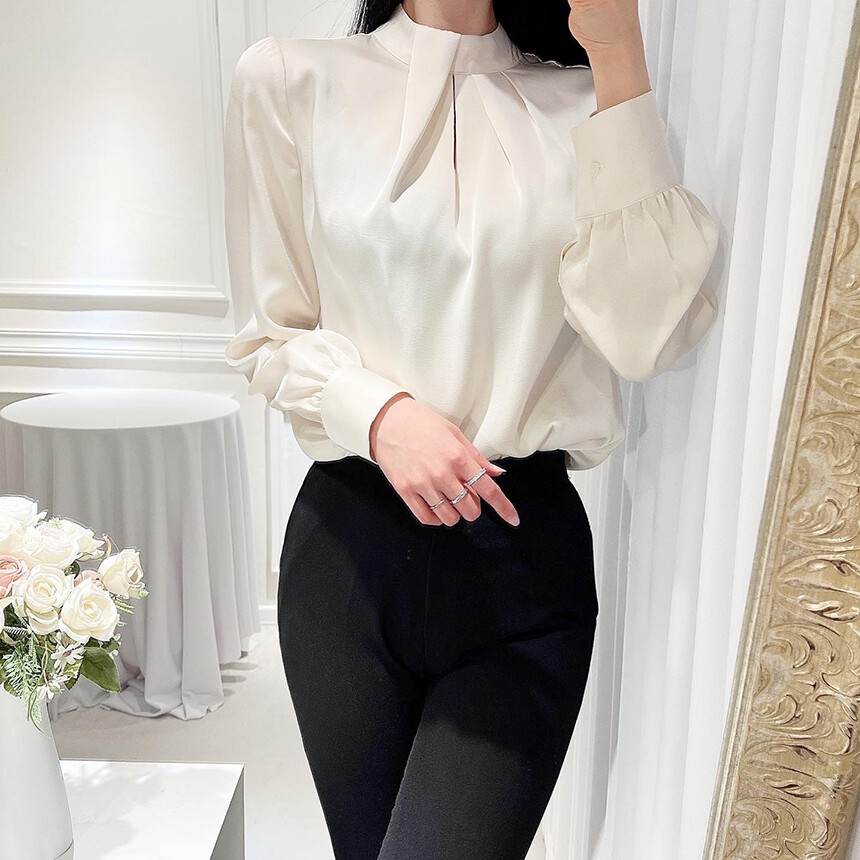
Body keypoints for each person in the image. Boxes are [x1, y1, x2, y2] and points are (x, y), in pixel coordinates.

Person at [223, 0, 719, 857]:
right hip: (348, 559)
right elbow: (268, 334)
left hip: (521, 563)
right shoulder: (289, 80)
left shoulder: (581, 102)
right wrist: (379, 414)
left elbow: (644, 331)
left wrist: (617, 52)